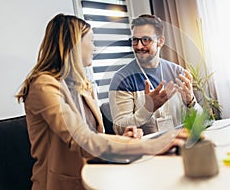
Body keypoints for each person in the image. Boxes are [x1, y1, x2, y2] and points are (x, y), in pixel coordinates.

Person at [15, 14, 188, 190]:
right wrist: (148, 145)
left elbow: (94, 135)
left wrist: (124, 140)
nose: (94, 48)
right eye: (91, 41)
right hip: (63, 184)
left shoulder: (83, 85)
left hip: (96, 174)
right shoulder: (43, 85)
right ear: (74, 44)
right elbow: (81, 139)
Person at [109, 14, 202, 135]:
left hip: (180, 142)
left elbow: (200, 122)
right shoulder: (121, 79)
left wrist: (191, 101)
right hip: (147, 150)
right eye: (135, 40)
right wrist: (147, 109)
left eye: (146, 40)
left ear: (161, 41)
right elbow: (120, 128)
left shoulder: (177, 72)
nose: (139, 46)